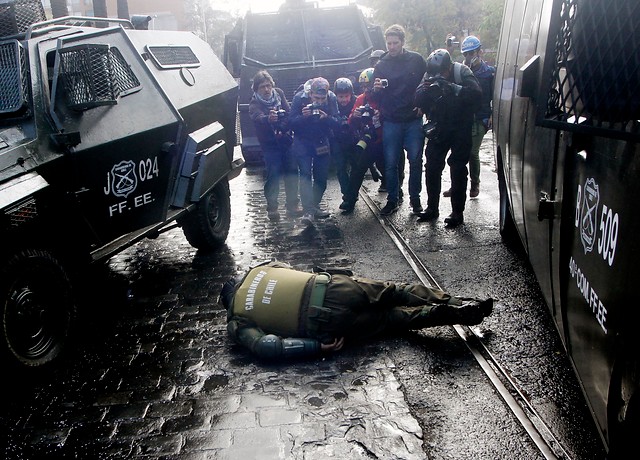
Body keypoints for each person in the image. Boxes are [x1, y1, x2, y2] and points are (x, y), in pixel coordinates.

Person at [220, 261, 493, 360]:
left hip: (325, 323)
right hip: (334, 287)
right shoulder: (259, 269)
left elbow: (267, 347)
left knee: (391, 320)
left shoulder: (237, 320)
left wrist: (316, 348)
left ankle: (441, 315)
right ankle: (454, 301)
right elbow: (288, 268)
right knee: (396, 291)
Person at [414, 49, 482, 227]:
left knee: (458, 168)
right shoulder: (428, 74)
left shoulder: (462, 72)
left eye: (442, 73)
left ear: (449, 67)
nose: (439, 76)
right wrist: (425, 88)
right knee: (432, 167)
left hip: (461, 126)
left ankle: (457, 212)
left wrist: (454, 88)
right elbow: (417, 100)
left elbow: (477, 96)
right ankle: (431, 208)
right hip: (439, 126)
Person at [372, 24, 427, 216]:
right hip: (392, 119)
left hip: (412, 118)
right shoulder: (381, 64)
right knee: (390, 162)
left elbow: (426, 83)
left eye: (395, 43)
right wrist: (377, 89)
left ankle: (416, 199)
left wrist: (424, 105)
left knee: (416, 160)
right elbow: (374, 95)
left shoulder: (416, 60)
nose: (392, 47)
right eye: (389, 43)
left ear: (403, 42)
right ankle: (393, 199)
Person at [443, 36, 495, 199]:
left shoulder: (490, 73)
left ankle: (475, 182)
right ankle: (456, 185)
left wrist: (492, 115)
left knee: (472, 151)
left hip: (481, 116)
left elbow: (496, 95)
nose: (469, 57)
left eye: (472, 53)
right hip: (463, 117)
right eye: (466, 54)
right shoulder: (461, 71)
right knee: (457, 152)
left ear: (480, 51)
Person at [249, 70, 301, 220]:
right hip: (270, 145)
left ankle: (292, 204)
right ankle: (272, 207)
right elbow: (257, 117)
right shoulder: (254, 103)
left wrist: (283, 126)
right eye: (262, 87)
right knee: (273, 174)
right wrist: (268, 119)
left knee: (292, 171)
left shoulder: (279, 94)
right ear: (257, 89)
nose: (266, 89)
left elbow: (289, 113)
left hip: (285, 141)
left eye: (268, 85)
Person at [289, 77, 340, 226]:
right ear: (310, 93)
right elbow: (290, 122)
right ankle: (308, 210)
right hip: (302, 141)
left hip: (321, 140)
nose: (319, 102)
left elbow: (338, 122)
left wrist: (326, 118)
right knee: (305, 174)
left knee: (322, 177)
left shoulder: (331, 99)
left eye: (322, 98)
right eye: (316, 98)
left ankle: (314, 205)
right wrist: (304, 117)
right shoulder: (299, 98)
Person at [339, 68, 384, 212]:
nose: (366, 89)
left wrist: (379, 114)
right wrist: (355, 115)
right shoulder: (360, 99)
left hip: (384, 139)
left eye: (368, 86)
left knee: (389, 167)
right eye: (363, 86)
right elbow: (352, 119)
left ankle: (396, 193)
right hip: (368, 141)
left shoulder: (384, 97)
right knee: (357, 169)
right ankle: (350, 200)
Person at [330, 78, 358, 207]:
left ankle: (352, 193)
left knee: (355, 167)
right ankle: (347, 195)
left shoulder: (357, 102)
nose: (344, 100)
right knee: (341, 168)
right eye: (340, 97)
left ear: (351, 95)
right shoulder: (331, 104)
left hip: (353, 139)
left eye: (346, 96)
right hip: (337, 140)